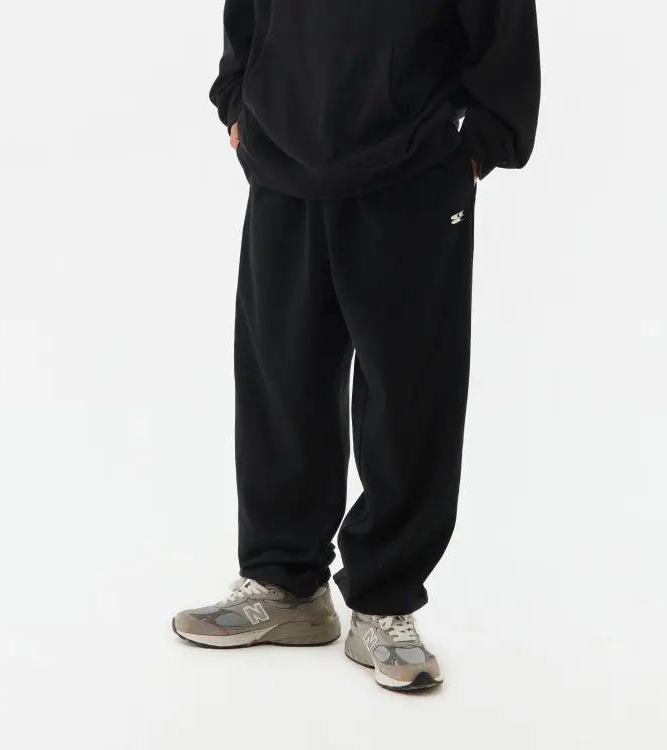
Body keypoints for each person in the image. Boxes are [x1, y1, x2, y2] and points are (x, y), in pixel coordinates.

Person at [173, 0, 541, 692]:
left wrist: (478, 143)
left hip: (413, 172)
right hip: (283, 165)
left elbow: (503, 30)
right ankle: (285, 583)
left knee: (409, 392)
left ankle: (384, 600)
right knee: (282, 378)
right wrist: (237, 101)